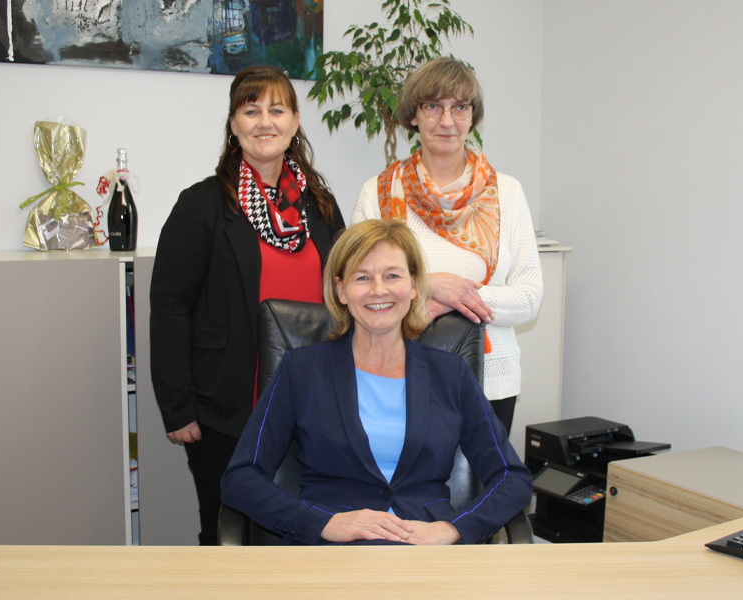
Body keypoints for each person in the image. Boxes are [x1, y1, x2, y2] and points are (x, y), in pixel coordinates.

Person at [221, 219, 532, 545]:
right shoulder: (302, 370)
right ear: (341, 291)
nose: (379, 289)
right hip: (332, 554)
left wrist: (452, 528)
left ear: (413, 286)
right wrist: (325, 522)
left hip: (427, 556)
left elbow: (513, 478)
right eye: (362, 277)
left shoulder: (450, 374)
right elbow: (240, 479)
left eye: (392, 275)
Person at [150, 65, 345, 545]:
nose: (264, 121)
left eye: (276, 110)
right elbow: (170, 308)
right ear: (233, 124)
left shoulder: (319, 206)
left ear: (295, 121)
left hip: (315, 404)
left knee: (309, 528)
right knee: (227, 529)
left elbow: (346, 289)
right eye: (250, 110)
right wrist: (178, 408)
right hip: (229, 408)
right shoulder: (201, 205)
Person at [351, 57, 543, 434]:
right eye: (433, 106)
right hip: (397, 376)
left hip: (490, 381)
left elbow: (529, 297)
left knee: (484, 492)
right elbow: (359, 288)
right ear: (413, 115)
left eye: (459, 107)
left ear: (472, 117)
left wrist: (456, 295)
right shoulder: (377, 193)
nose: (447, 121)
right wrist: (429, 284)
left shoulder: (507, 192)